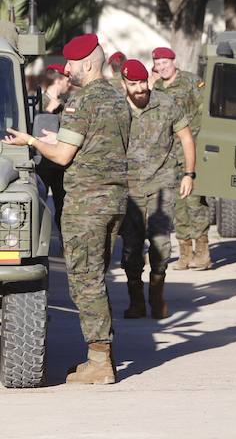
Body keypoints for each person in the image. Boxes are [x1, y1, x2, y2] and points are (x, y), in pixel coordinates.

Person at [3, 33, 130, 384]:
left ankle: (100, 361)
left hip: (87, 202)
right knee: (96, 277)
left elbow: (62, 155)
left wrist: (30, 141)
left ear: (87, 62)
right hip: (114, 198)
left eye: (72, 64)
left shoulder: (82, 99)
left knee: (84, 282)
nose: (68, 70)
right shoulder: (117, 97)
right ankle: (104, 353)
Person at [119, 59, 196, 319]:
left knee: (161, 244)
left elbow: (186, 137)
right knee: (131, 248)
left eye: (143, 82)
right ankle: (136, 301)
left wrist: (188, 174)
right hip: (127, 188)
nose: (140, 88)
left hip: (161, 184)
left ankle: (157, 295)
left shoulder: (165, 104)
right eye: (133, 84)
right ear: (124, 84)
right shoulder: (115, 108)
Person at [151, 47, 211, 270]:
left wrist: (198, 138)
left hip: (190, 150)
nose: (162, 67)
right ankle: (185, 254)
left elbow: (204, 111)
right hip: (168, 154)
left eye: (165, 62)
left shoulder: (190, 82)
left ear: (173, 61)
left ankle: (202, 252)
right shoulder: (156, 87)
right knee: (177, 205)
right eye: (158, 63)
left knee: (195, 201)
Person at [37, 63, 71, 236]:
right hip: (42, 162)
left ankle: (65, 242)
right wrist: (49, 110)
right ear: (58, 80)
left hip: (60, 162)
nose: (69, 82)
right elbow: (32, 128)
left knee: (63, 205)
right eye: (66, 78)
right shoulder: (38, 101)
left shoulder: (66, 104)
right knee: (39, 203)